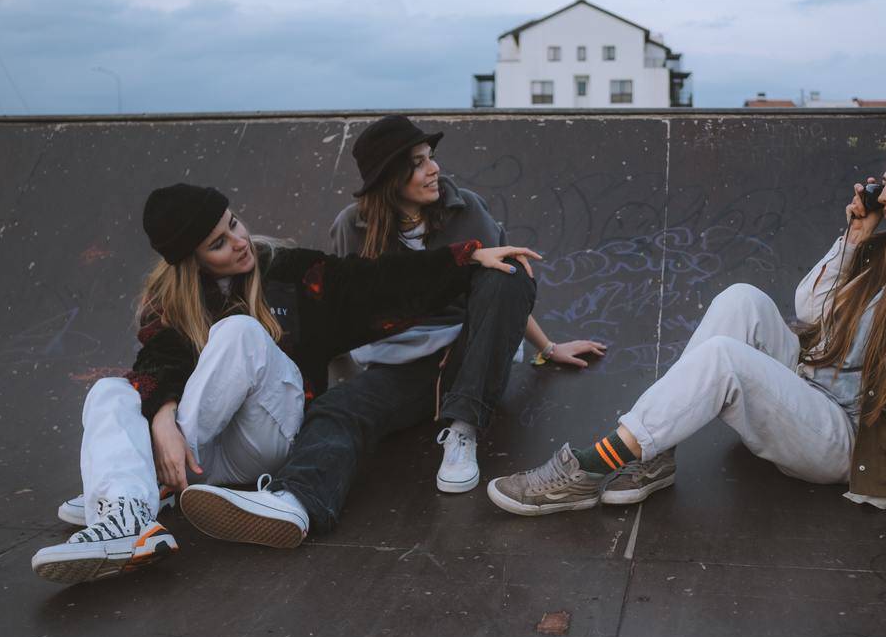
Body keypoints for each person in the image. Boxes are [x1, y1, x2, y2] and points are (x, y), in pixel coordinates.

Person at [487, 139, 886, 515]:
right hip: (813, 387)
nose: (883, 194)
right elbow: (810, 309)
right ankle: (652, 453)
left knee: (723, 358)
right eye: (883, 182)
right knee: (742, 298)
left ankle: (591, 468)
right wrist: (854, 239)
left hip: (853, 436)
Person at [31, 182, 537, 583]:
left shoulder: (291, 273)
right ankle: (126, 519)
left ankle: (148, 485)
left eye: (234, 224)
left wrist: (465, 257)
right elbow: (157, 362)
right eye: (218, 244)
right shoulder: (170, 306)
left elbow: (374, 280)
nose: (239, 242)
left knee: (239, 332)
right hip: (205, 453)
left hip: (270, 434)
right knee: (110, 391)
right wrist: (163, 413)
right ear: (192, 262)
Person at [177, 115, 604, 549]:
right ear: (389, 177)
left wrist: (547, 346)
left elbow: (503, 295)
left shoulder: (465, 209)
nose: (433, 169)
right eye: (417, 163)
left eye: (430, 157)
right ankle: (295, 502)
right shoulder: (351, 226)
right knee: (335, 410)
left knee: (508, 270)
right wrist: (344, 385)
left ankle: (463, 429)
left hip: (468, 350)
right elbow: (341, 308)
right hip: (398, 365)